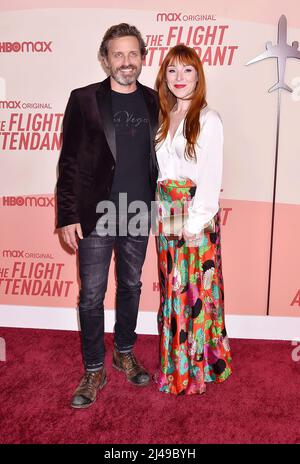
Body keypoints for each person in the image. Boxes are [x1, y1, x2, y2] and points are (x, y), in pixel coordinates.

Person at [56, 23, 158, 409]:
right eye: (118, 54)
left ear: (143, 58)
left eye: (133, 54)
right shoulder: (83, 100)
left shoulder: (153, 100)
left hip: (138, 211)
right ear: (105, 58)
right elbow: (67, 163)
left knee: (131, 286)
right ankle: (94, 367)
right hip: (95, 214)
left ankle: (125, 351)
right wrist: (67, 215)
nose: (126, 62)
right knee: (92, 296)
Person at [154, 44, 232, 395]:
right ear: (164, 76)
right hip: (165, 212)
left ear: (198, 76)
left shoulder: (209, 119)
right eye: (172, 70)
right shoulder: (163, 116)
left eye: (187, 70)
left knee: (196, 292)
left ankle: (196, 371)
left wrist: (193, 223)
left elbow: (212, 178)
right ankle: (174, 366)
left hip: (194, 216)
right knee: (172, 292)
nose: (179, 78)